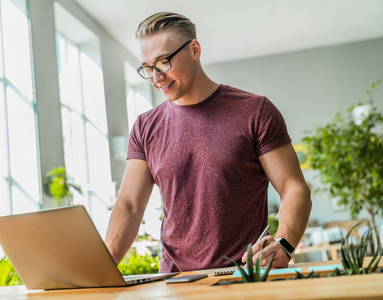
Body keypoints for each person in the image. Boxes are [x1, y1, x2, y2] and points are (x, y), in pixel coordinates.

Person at [105, 12, 312, 273]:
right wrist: (101, 267)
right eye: (147, 68)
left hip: (244, 276)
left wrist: (284, 244)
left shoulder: (255, 111)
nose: (156, 77)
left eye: (163, 62)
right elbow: (130, 205)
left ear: (194, 50)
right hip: (175, 281)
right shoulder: (146, 126)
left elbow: (293, 187)